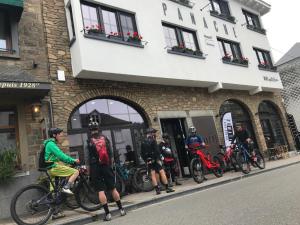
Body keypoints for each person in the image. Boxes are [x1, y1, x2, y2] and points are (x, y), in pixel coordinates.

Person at [87, 120, 126, 221]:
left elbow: (87, 157)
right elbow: (111, 153)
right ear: (98, 129)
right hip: (106, 165)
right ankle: (121, 209)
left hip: (95, 166)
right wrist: (111, 164)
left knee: (100, 190)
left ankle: (108, 214)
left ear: (90, 130)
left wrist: (88, 170)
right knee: (113, 188)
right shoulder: (105, 138)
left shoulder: (88, 141)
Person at [44, 128, 80, 219]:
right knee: (76, 172)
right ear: (54, 135)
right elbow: (61, 155)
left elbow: (57, 157)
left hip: (49, 168)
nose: (61, 137)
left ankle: (55, 212)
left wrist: (67, 162)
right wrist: (72, 160)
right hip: (53, 167)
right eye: (60, 135)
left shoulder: (49, 144)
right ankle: (66, 187)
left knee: (54, 191)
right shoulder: (51, 144)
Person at [141, 128, 175, 195]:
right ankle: (167, 188)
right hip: (155, 159)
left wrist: (146, 160)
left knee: (153, 175)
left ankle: (157, 190)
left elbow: (141, 153)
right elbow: (157, 151)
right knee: (162, 172)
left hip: (149, 160)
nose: (154, 134)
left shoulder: (143, 142)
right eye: (153, 132)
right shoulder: (153, 141)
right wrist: (159, 159)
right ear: (150, 133)